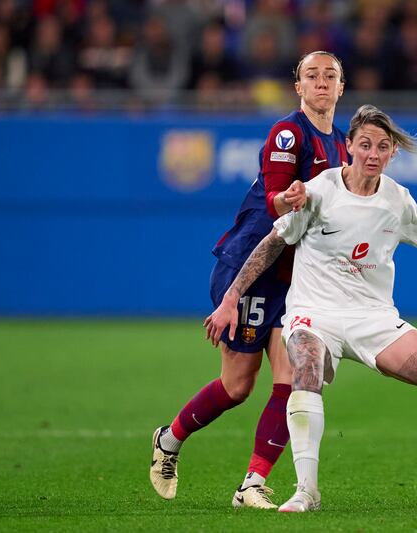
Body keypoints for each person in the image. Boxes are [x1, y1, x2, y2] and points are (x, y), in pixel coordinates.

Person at [204, 105, 417, 512]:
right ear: (347, 147)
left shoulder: (398, 200)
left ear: (392, 154)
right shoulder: (318, 191)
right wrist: (230, 299)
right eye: (364, 144)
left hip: (373, 317)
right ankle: (306, 491)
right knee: (305, 369)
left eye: (382, 147)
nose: (372, 153)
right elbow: (273, 243)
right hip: (313, 313)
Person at [150, 51, 349, 510]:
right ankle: (169, 439)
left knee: (295, 378)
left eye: (330, 76)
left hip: (295, 279)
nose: (321, 83)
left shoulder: (341, 144)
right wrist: (291, 198)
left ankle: (252, 485)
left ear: (342, 87)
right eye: (311, 76)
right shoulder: (287, 132)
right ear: (297, 86)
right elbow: (277, 199)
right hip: (251, 269)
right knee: (238, 385)